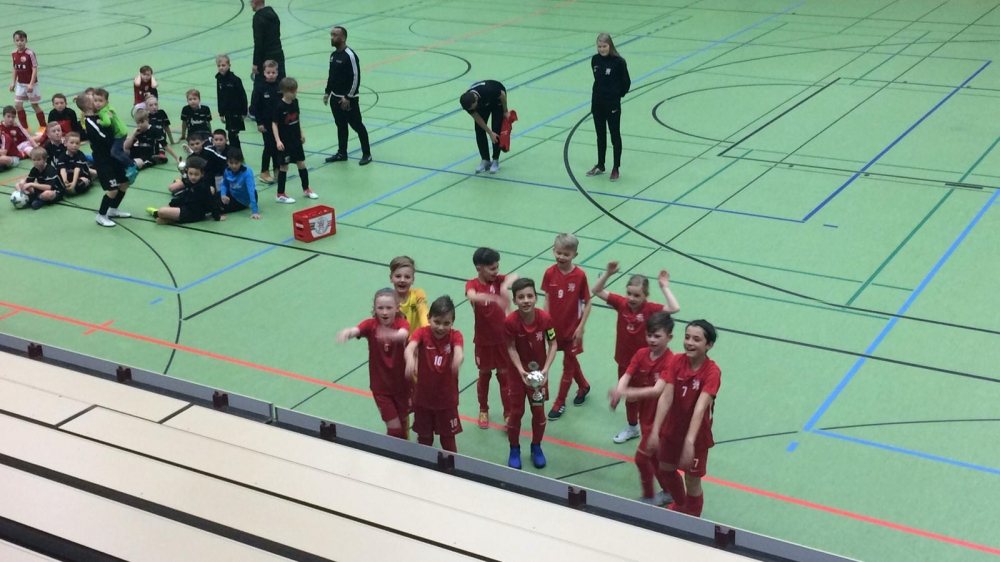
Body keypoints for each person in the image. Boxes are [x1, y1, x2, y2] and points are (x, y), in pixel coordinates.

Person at [623, 320, 721, 518]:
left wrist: (689, 442)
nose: (690, 343)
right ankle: (681, 505)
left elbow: (700, 408)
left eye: (697, 339)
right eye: (687, 337)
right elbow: (666, 397)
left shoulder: (712, 372)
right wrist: (655, 431)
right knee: (666, 469)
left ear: (709, 345)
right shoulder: (676, 361)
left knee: (692, 481)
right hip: (671, 431)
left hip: (697, 436)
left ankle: (692, 519)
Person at [591, 261, 680, 444]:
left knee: (649, 397)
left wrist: (664, 287)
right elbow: (596, 290)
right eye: (629, 293)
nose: (631, 298)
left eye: (637, 295)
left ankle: (655, 428)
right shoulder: (621, 303)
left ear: (646, 296)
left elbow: (674, 308)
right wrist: (608, 274)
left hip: (647, 362)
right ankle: (632, 428)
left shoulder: (651, 309)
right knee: (630, 398)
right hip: (624, 360)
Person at [608, 312, 675, 505]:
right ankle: (669, 492)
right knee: (654, 459)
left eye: (657, 336)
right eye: (649, 335)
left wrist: (627, 393)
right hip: (645, 415)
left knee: (641, 458)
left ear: (669, 337)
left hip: (661, 419)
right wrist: (619, 391)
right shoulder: (641, 354)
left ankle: (649, 496)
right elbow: (627, 374)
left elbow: (657, 390)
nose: (652, 340)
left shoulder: (671, 361)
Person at [337, 288, 412, 440]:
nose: (384, 312)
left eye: (389, 308)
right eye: (380, 308)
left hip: (402, 386)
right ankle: (389, 451)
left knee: (403, 424)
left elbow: (403, 334)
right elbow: (357, 330)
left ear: (397, 308)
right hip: (381, 388)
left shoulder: (402, 323)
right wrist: (348, 332)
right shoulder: (370, 325)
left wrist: (390, 335)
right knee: (395, 429)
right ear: (375, 309)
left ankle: (402, 452)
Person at [504, 277, 557, 470]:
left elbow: (553, 343)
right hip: (517, 376)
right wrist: (521, 371)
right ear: (514, 300)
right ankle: (514, 449)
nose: (526, 300)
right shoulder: (510, 322)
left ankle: (536, 447)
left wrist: (545, 370)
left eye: (529, 296)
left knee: (539, 413)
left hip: (538, 377)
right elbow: (511, 347)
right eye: (521, 297)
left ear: (536, 297)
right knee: (516, 413)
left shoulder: (545, 319)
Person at [465, 247, 517, 429]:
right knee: (484, 376)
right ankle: (483, 409)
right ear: (479, 268)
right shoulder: (472, 284)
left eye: (497, 267)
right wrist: (495, 298)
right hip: (483, 342)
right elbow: (472, 296)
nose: (496, 271)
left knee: (504, 376)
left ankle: (508, 414)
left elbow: (515, 276)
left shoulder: (498, 280)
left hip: (502, 340)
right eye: (492, 268)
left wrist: (503, 286)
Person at [405, 296, 464, 453]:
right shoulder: (421, 333)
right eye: (437, 322)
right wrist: (410, 359)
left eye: (446, 323)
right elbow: (410, 347)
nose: (441, 327)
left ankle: (451, 465)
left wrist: (458, 358)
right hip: (423, 400)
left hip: (447, 401)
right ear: (428, 318)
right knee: (424, 439)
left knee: (448, 441)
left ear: (452, 322)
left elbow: (459, 350)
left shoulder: (455, 336)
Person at [542, 233, 592, 420]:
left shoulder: (580, 276)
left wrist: (581, 327)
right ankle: (584, 386)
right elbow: (547, 299)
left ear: (574, 255)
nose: (561, 257)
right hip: (555, 329)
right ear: (553, 251)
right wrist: (544, 322)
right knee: (571, 361)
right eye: (559, 252)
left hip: (573, 330)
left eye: (566, 254)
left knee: (568, 365)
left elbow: (588, 302)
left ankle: (559, 402)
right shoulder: (549, 273)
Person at [79, 92, 132, 226]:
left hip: (113, 157)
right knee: (112, 189)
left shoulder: (100, 115)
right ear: (89, 105)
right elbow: (106, 137)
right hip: (103, 161)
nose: (97, 102)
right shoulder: (90, 122)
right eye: (94, 100)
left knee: (124, 183)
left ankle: (113, 209)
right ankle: (101, 215)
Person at [322, 26, 371, 166]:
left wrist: (348, 97)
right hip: (335, 98)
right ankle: (342, 153)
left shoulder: (350, 55)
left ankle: (367, 154)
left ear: (343, 38)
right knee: (341, 125)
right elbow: (331, 75)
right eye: (331, 34)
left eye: (335, 35)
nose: (332, 37)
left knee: (357, 125)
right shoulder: (333, 56)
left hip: (349, 100)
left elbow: (356, 77)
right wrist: (327, 92)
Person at [587, 33, 631, 182]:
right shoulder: (595, 60)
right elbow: (598, 80)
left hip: (612, 105)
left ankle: (616, 168)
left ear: (610, 45)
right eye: (599, 46)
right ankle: (601, 165)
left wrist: (615, 95)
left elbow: (626, 83)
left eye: (604, 46)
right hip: (597, 104)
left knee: (614, 136)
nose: (601, 49)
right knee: (600, 136)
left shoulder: (619, 62)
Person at [272, 77, 315, 203]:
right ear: (284, 91)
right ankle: (280, 194)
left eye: (295, 91)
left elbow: (297, 119)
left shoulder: (295, 102)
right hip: (285, 142)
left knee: (301, 164)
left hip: (296, 140)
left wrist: (301, 133)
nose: (295, 93)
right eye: (292, 92)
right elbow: (274, 124)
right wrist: (278, 141)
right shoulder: (279, 106)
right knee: (284, 167)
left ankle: (306, 189)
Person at [146, 155, 223, 225]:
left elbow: (210, 202)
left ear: (202, 174)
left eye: (196, 174)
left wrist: (217, 217)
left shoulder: (203, 186)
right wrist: (172, 204)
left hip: (194, 213)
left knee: (161, 211)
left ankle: (158, 214)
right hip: (186, 207)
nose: (193, 177)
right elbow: (185, 195)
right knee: (165, 210)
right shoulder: (190, 182)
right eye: (190, 174)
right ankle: (167, 218)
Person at [459, 80, 507, 174]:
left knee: (496, 129)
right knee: (479, 129)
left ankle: (495, 160)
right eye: (471, 109)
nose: (473, 109)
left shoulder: (488, 90)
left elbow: (502, 95)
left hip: (497, 100)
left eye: (473, 107)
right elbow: (477, 119)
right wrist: (489, 132)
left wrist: (505, 111)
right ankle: (485, 160)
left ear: (475, 98)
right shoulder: (467, 103)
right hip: (483, 104)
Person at [92, 88, 138, 184]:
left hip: (119, 133)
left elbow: (107, 123)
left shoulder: (103, 111)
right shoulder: (107, 108)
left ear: (106, 102)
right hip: (122, 130)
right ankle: (124, 166)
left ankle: (131, 165)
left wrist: (100, 122)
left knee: (114, 152)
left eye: (100, 101)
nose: (97, 103)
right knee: (117, 150)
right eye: (95, 100)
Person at [248, 60, 280, 184]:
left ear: (277, 73)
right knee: (268, 147)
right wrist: (259, 123)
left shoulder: (280, 86)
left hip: (278, 123)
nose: (271, 75)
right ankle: (264, 172)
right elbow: (256, 107)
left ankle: (277, 169)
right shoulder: (260, 87)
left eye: (273, 72)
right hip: (266, 123)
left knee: (277, 146)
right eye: (268, 72)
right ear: (264, 73)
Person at [9, 31, 45, 131]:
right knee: (17, 105)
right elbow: (15, 68)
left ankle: (43, 126)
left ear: (26, 40)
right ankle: (25, 127)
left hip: (30, 84)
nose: (19, 42)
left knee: (34, 105)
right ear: (14, 41)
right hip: (20, 84)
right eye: (17, 40)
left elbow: (34, 68)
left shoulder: (30, 53)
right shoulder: (14, 54)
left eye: (22, 40)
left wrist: (31, 84)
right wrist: (13, 82)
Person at [216, 54, 248, 151]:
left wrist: (244, 112)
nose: (221, 68)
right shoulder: (219, 79)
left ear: (229, 65)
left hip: (236, 112)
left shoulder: (235, 80)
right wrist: (221, 113)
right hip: (227, 113)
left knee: (233, 135)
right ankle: (236, 154)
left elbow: (243, 96)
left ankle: (236, 155)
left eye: (223, 65)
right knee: (232, 135)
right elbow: (220, 97)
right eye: (219, 66)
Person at [218, 148, 261, 219]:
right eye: (231, 163)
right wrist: (223, 195)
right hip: (232, 193)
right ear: (227, 162)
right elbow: (224, 184)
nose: (234, 166)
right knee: (211, 200)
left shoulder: (247, 173)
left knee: (219, 209)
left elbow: (251, 191)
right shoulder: (227, 171)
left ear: (241, 162)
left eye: (236, 163)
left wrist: (255, 211)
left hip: (242, 200)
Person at [389, 256, 427, 335]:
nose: (402, 280)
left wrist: (427, 329)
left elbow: (424, 313)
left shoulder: (418, 295)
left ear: (413, 279)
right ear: (391, 278)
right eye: (398, 276)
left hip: (416, 339)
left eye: (407, 277)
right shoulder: (387, 300)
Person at [251, 0, 285, 86]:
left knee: (262, 86)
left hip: (265, 57)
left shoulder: (257, 18)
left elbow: (258, 42)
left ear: (255, 2)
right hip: (278, 53)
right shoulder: (273, 13)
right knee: (281, 84)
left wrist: (256, 63)